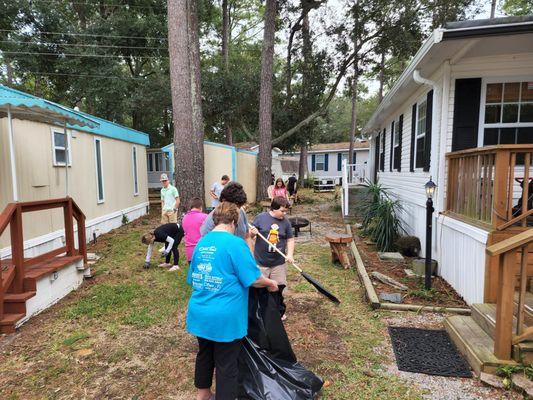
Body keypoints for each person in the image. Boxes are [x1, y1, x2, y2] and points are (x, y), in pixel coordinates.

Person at [186, 202, 279, 400]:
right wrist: (271, 282)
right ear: (235, 221)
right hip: (225, 318)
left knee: (205, 354)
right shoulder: (235, 244)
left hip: (199, 313)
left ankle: (202, 394)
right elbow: (253, 279)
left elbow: (192, 277)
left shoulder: (202, 242)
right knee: (226, 363)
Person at [250, 196, 294, 319]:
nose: (284, 214)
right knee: (262, 288)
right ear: (273, 209)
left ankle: (278, 312)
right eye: (282, 211)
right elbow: (250, 237)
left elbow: (290, 239)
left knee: (278, 288)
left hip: (278, 263)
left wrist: (289, 254)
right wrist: (252, 234)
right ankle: (261, 312)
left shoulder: (286, 222)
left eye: (286, 211)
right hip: (261, 262)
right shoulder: (260, 218)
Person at [200, 181, 253, 250]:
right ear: (224, 201)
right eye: (235, 206)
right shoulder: (212, 220)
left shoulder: (241, 212)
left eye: (239, 207)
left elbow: (247, 236)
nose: (238, 210)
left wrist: (251, 258)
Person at [182, 197, 208, 263]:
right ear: (200, 207)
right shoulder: (205, 217)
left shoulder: (185, 218)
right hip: (203, 250)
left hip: (189, 251)